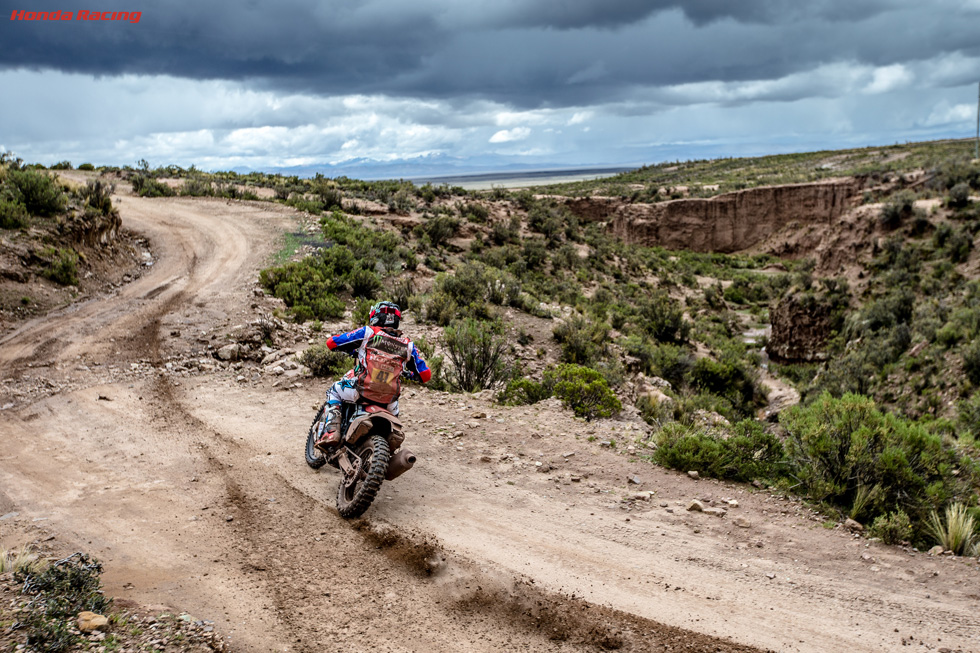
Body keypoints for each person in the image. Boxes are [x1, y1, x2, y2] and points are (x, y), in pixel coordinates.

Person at [314, 301, 431, 453]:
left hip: (361, 391)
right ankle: (388, 451)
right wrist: (412, 375)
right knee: (393, 424)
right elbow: (425, 375)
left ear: (375, 316)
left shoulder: (368, 333)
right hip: (389, 400)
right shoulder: (408, 345)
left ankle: (332, 432)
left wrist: (351, 349)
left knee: (334, 391)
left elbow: (331, 343)